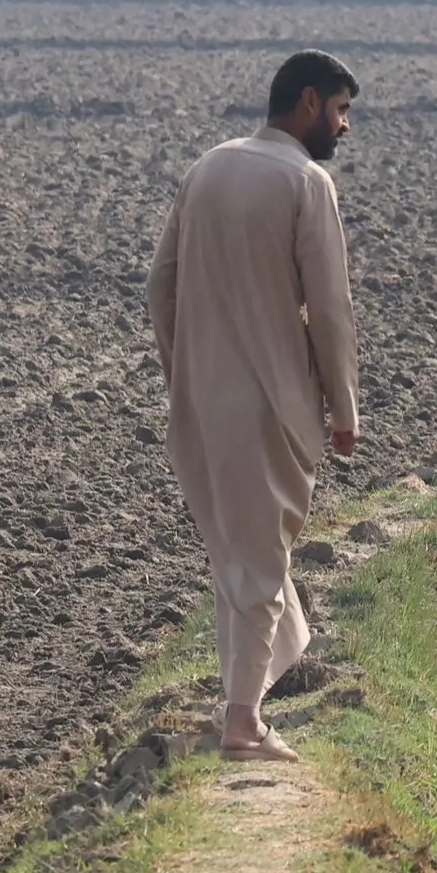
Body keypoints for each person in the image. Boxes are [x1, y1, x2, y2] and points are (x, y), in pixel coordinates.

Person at [145, 50, 361, 762]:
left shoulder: (208, 167)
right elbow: (329, 309)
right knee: (262, 561)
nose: (343, 126)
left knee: (239, 555)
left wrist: (187, 366)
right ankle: (241, 722)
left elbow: (161, 287)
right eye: (338, 111)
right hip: (273, 400)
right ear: (305, 104)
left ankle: (246, 702)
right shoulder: (307, 181)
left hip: (202, 401)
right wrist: (343, 408)